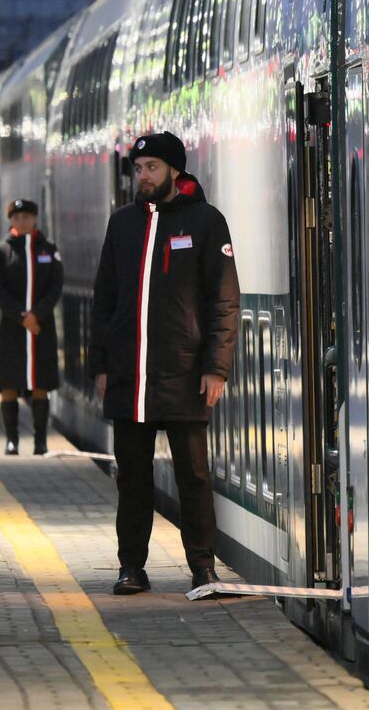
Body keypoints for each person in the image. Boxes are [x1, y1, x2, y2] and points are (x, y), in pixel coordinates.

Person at [89, 131, 240, 596]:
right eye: (137, 169)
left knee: (193, 477)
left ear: (174, 170)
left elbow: (225, 302)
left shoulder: (206, 222)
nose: (143, 177)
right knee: (132, 479)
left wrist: (216, 367)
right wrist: (101, 365)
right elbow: (104, 300)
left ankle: (203, 569)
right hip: (130, 377)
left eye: (152, 168)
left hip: (185, 373)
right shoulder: (123, 224)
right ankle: (131, 567)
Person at [0, 199, 64, 456]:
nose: (21, 221)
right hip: (12, 329)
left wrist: (37, 315)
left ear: (34, 219)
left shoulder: (48, 248)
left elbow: (56, 286)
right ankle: (12, 440)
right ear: (10, 220)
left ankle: (40, 440)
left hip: (40, 329)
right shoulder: (2, 250)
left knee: (40, 382)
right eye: (16, 217)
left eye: (26, 217)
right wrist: (22, 317)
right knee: (9, 382)